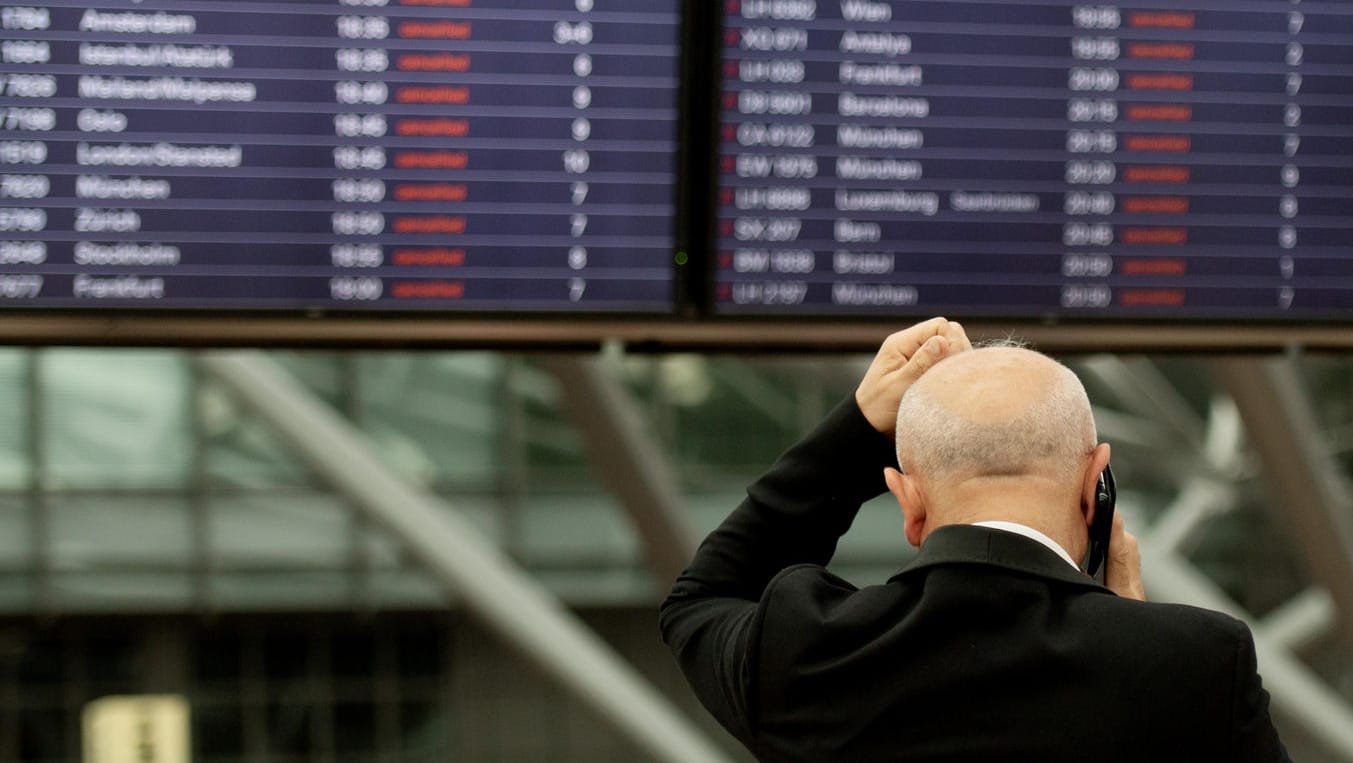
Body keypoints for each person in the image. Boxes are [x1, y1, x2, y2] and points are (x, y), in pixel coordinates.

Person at [659, 317, 1289, 762]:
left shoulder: (810, 653)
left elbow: (705, 594)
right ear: (1094, 485)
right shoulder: (1199, 663)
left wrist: (856, 428)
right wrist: (1140, 650)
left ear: (909, 504)